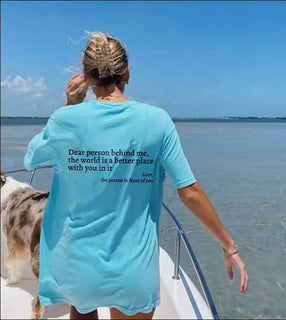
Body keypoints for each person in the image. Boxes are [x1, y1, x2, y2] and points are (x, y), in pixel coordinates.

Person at [24, 32, 248, 320]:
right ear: (127, 73)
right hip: (132, 270)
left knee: (80, 309)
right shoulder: (157, 121)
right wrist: (229, 245)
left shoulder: (65, 119)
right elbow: (188, 191)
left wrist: (70, 107)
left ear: (87, 77)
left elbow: (33, 157)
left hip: (77, 265)